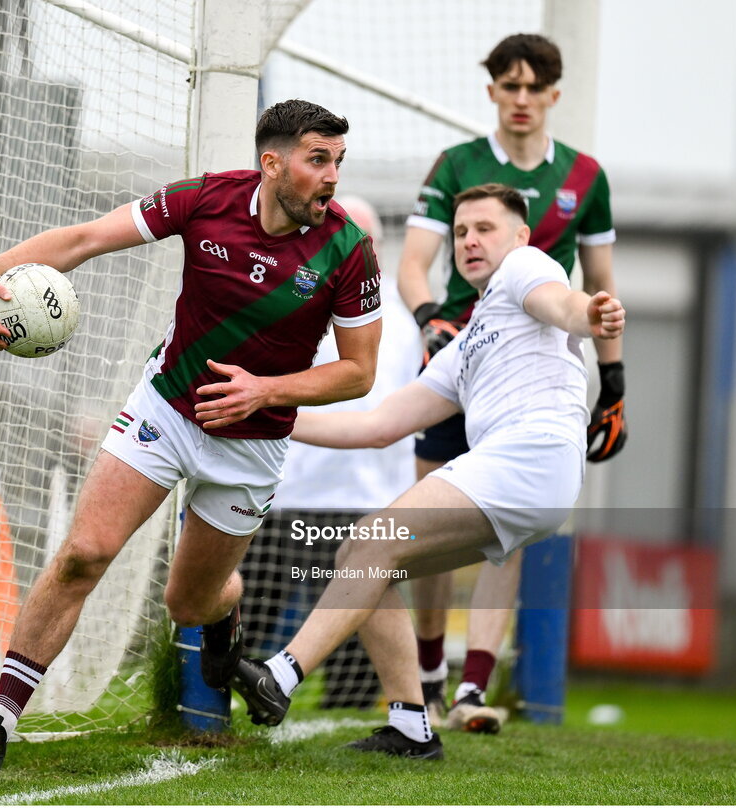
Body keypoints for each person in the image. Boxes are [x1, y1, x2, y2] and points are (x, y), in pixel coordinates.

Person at [0, 99, 383, 774]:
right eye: (318, 160)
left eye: (337, 162)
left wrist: (266, 390)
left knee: (190, 601)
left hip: (251, 444)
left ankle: (225, 615)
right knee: (85, 553)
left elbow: (359, 373)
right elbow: (86, 238)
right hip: (166, 409)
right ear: (273, 163)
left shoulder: (350, 250)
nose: (331, 177)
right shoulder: (204, 199)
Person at [231, 183, 625, 759]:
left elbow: (559, 303)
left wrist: (587, 313)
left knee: (370, 539)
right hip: (528, 479)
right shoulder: (463, 346)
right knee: (364, 556)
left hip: (531, 456)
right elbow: (377, 425)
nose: (468, 240)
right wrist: (264, 407)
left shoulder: (525, 265)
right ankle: (411, 726)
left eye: (483, 229)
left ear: (518, 236)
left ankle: (281, 676)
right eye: (460, 232)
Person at [395, 33, 623, 730]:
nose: (521, 99)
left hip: (532, 367)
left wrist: (613, 383)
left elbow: (599, 289)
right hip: (456, 358)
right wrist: (433, 319)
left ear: (553, 95)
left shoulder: (585, 177)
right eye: (508, 85)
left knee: (510, 528)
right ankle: (429, 674)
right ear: (491, 91)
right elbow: (412, 265)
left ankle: (471, 690)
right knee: (426, 522)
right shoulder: (457, 165)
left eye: (534, 87)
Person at [238, 196, 420, 709]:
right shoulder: (293, 301)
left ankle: (360, 718)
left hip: (363, 503)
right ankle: (218, 705)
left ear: (375, 252)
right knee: (247, 618)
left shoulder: (395, 326)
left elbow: (371, 414)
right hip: (284, 497)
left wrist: (272, 410)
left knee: (354, 642)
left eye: (355, 241)